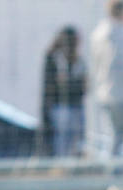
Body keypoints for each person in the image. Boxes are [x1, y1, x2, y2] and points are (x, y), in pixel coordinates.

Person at [89, 0, 123, 159]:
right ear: (122, 11)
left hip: (105, 94)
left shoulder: (98, 33)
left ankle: (113, 177)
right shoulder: (118, 33)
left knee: (116, 137)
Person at [40, 26, 86, 159]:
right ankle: (61, 165)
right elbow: (56, 85)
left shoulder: (79, 61)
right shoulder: (54, 59)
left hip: (75, 106)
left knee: (75, 140)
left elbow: (83, 85)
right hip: (59, 106)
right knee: (61, 140)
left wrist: (70, 84)